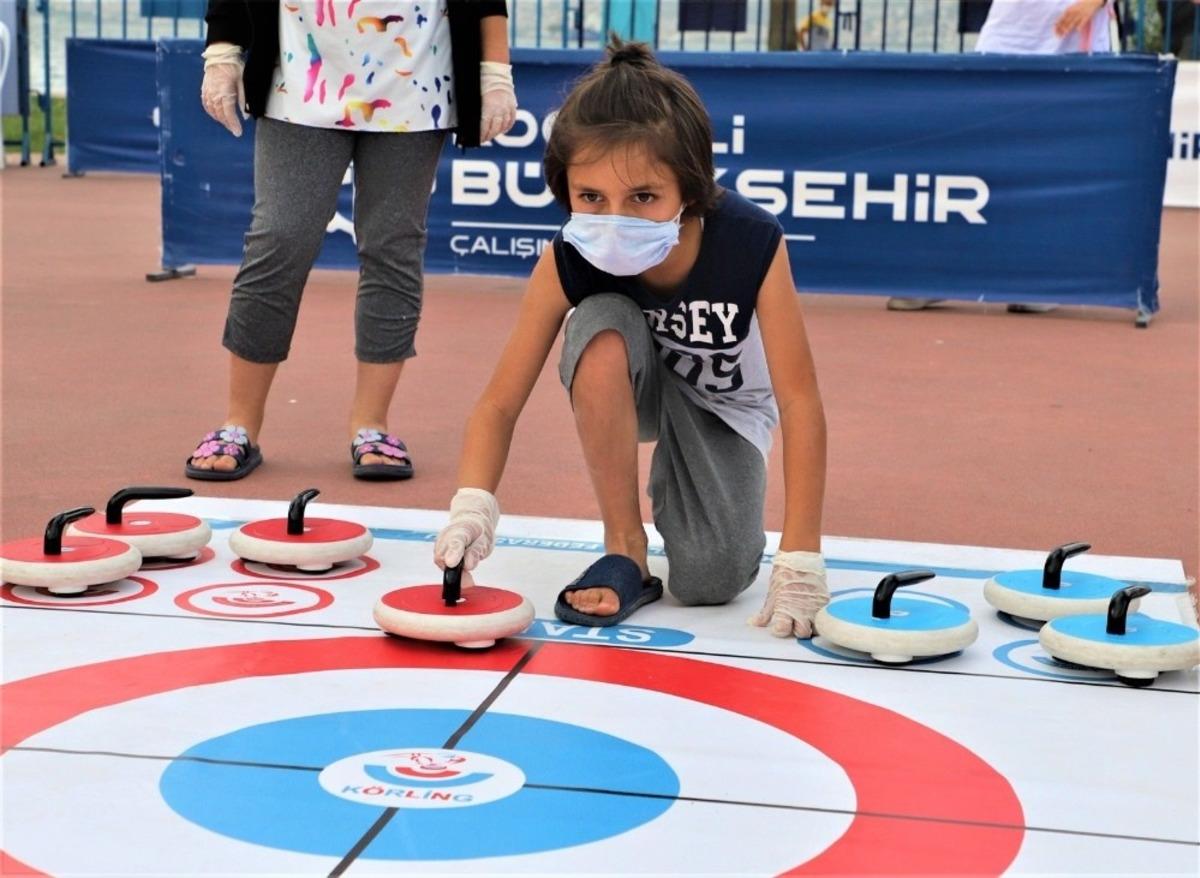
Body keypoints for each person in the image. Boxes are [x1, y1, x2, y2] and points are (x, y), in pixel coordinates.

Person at [432, 39, 830, 638]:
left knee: (710, 581)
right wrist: (472, 505)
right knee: (598, 327)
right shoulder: (571, 254)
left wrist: (801, 554)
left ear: (690, 190)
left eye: (643, 197)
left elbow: (799, 399)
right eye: (591, 197)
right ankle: (626, 546)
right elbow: (499, 400)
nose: (615, 218)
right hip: (629, 380)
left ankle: (693, 524)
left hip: (721, 408)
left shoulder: (751, 242)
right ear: (565, 189)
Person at [187, 1, 517, 482]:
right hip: (300, 73)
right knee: (280, 238)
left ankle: (372, 425)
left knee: (392, 246)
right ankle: (239, 423)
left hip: (416, 76)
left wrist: (495, 74)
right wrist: (222, 53)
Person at [887, 0, 1114, 313]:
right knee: (974, 164)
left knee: (1053, 169)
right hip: (1008, 35)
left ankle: (1038, 281)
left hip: (1074, 41)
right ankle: (940, 277)